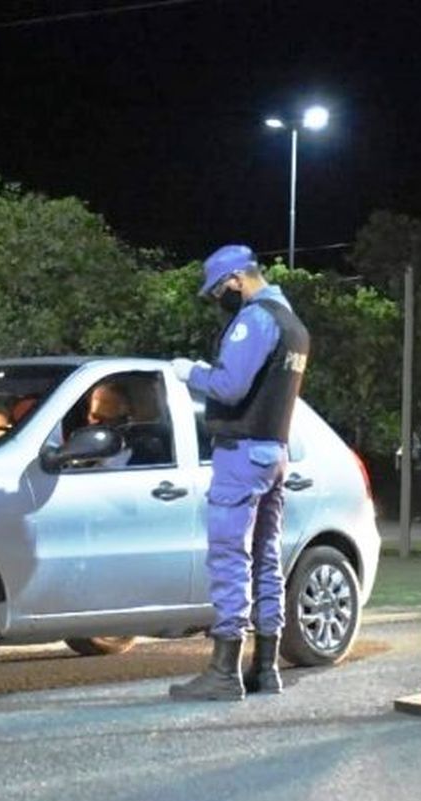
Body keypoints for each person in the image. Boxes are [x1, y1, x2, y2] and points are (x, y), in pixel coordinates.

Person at [168, 244, 310, 701]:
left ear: (235, 280)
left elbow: (230, 386)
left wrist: (191, 372)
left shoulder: (256, 319)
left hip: (242, 454)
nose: (217, 303)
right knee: (266, 557)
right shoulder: (294, 324)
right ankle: (265, 669)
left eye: (216, 293)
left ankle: (224, 672)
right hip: (274, 453)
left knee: (229, 557)